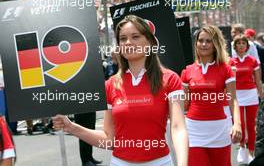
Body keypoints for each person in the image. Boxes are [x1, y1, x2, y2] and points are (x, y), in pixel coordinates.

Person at [53, 14, 188, 166]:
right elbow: (109, 140)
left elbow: (178, 128)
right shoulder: (111, 84)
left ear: (150, 42)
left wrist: (183, 164)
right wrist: (71, 127)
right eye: (123, 39)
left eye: (135, 36)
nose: (128, 42)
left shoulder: (170, 79)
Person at [181, 25, 242, 166]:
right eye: (200, 40)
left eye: (208, 41)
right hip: (194, 130)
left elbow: (232, 100)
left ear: (215, 45)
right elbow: (184, 104)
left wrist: (237, 124)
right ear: (195, 43)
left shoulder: (226, 69)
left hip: (220, 129)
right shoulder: (187, 71)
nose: (203, 44)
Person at [231, 34, 263, 164]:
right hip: (237, 95)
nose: (241, 46)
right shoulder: (231, 61)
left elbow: (258, 80)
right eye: (238, 43)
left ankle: (251, 152)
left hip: (251, 94)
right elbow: (230, 82)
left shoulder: (253, 61)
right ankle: (242, 147)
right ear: (235, 46)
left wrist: (261, 94)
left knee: (251, 124)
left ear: (247, 46)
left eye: (243, 43)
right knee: (240, 124)